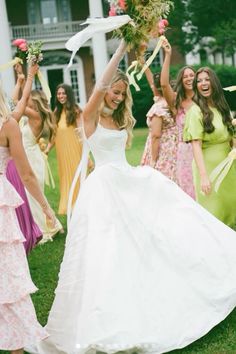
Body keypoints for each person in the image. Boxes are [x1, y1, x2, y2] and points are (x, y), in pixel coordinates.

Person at [26, 39, 236, 354]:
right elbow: (98, 88)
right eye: (115, 91)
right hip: (105, 190)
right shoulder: (90, 116)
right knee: (109, 252)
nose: (119, 96)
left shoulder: (120, 118)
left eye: (123, 93)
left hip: (129, 181)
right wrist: (122, 49)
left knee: (159, 236)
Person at [0, 76, 56, 353]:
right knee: (9, 274)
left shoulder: (10, 121)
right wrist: (46, 208)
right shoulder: (7, 124)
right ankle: (16, 346)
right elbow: (26, 174)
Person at [12, 73, 63, 242]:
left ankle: (43, 228)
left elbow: (15, 101)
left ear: (35, 102)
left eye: (29, 99)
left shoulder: (36, 116)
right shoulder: (34, 116)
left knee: (32, 196)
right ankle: (47, 224)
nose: (26, 101)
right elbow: (18, 101)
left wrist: (22, 83)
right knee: (30, 195)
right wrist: (20, 81)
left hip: (31, 158)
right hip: (30, 156)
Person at [184, 67, 236, 228]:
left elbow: (231, 138)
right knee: (214, 215)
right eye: (199, 81)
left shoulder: (223, 108)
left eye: (207, 79)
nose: (203, 83)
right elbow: (196, 145)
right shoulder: (195, 111)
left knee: (231, 209)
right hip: (209, 170)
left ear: (214, 83)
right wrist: (204, 176)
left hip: (229, 167)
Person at [6, 65, 42, 254]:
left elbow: (19, 101)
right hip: (12, 170)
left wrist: (25, 79)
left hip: (12, 169)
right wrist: (28, 77)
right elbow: (20, 101)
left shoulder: (9, 120)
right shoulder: (8, 122)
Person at [161, 38, 195, 198]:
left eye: (192, 75)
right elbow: (164, 85)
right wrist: (168, 54)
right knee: (188, 193)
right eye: (185, 76)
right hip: (185, 152)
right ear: (181, 80)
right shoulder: (177, 103)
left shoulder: (205, 101)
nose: (189, 78)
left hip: (205, 150)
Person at [45, 84, 83, 215]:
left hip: (75, 151)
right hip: (62, 153)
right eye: (59, 94)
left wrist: (86, 156)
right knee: (66, 178)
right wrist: (48, 149)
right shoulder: (56, 112)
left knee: (77, 179)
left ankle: (80, 208)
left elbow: (81, 133)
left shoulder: (76, 111)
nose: (61, 96)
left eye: (63, 93)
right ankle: (71, 210)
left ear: (69, 95)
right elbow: (54, 135)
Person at [141, 70, 178, 182]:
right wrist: (144, 65)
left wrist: (153, 159)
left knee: (160, 180)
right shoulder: (174, 102)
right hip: (174, 147)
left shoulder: (158, 108)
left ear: (156, 88)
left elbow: (156, 136)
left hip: (162, 150)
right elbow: (152, 82)